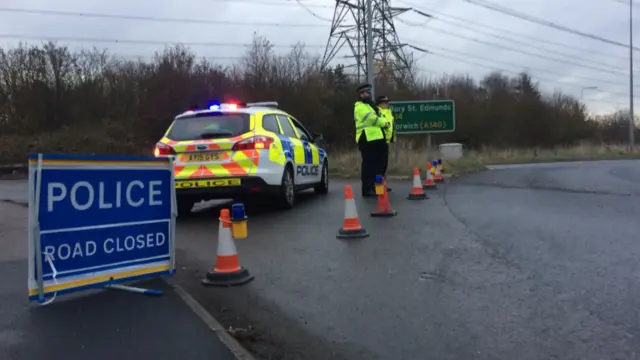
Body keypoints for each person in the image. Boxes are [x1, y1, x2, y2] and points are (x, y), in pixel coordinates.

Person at [354, 84, 390, 197]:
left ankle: (377, 186)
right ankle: (367, 188)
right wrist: (384, 123)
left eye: (369, 92)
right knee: (368, 165)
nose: (369, 94)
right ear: (361, 94)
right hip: (366, 138)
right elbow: (371, 119)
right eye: (367, 93)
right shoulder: (359, 107)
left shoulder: (371, 106)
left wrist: (382, 121)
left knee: (380, 164)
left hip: (377, 138)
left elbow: (380, 115)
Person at [376, 95, 395, 192]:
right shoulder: (378, 112)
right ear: (380, 104)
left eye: (387, 102)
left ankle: (382, 185)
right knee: (379, 165)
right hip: (380, 139)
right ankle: (378, 186)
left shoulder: (388, 112)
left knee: (384, 165)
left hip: (386, 141)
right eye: (384, 102)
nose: (387, 104)